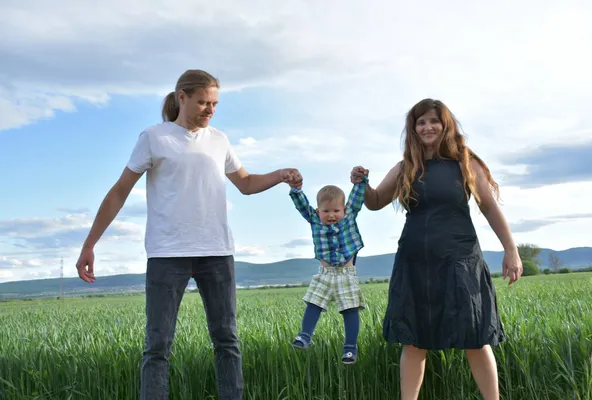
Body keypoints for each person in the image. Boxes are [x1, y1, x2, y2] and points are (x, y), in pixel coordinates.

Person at [75, 69, 303, 400]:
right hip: (167, 255)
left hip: (217, 253)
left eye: (215, 103)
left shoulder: (219, 140)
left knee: (227, 340)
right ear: (182, 97)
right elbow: (119, 192)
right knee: (158, 345)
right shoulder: (154, 137)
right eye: (203, 102)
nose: (210, 109)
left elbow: (246, 183)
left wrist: (280, 174)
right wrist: (89, 243)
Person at [350, 98, 523, 400]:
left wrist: (511, 249)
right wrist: (362, 183)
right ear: (413, 129)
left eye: (433, 121)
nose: (427, 127)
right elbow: (376, 201)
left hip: (460, 261)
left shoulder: (465, 164)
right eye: (421, 122)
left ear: (445, 125)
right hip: (415, 262)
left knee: (475, 338)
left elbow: (490, 209)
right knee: (414, 341)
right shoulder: (406, 167)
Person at [287, 174, 368, 364]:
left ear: (344, 209)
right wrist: (296, 190)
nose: (331, 215)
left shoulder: (348, 217)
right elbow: (302, 206)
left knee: (350, 309)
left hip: (346, 275)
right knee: (313, 303)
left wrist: (360, 181)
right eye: (326, 211)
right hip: (325, 274)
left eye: (336, 210)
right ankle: (305, 336)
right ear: (318, 211)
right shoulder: (315, 220)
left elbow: (356, 199)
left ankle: (350, 348)